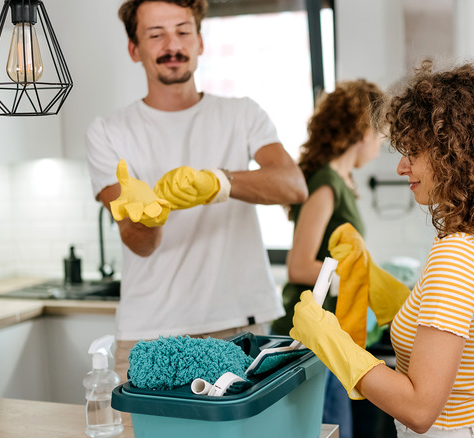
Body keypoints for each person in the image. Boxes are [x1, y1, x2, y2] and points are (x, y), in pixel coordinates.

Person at [290, 59, 474, 437]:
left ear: (457, 155)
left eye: (414, 152)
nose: (401, 167)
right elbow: (440, 322)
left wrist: (329, 339)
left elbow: (419, 409)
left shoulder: (457, 256)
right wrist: (371, 277)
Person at [85, 0, 308, 382]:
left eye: (183, 31)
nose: (173, 45)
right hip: (150, 333)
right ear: (134, 49)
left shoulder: (242, 114)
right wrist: (151, 216)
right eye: (156, 35)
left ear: (200, 41)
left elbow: (293, 185)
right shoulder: (109, 132)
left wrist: (221, 182)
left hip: (241, 325)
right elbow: (138, 243)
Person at [270, 79, 386, 438]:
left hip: (330, 333)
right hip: (311, 337)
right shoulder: (325, 183)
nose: (382, 144)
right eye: (381, 133)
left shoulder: (343, 179)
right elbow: (300, 264)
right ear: (363, 131)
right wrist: (354, 281)